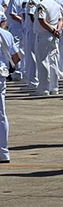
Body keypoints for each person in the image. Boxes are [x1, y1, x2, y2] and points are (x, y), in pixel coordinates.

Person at [33, 0, 63, 97]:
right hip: (54, 35)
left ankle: (44, 88)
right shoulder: (55, 4)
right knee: (53, 61)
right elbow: (60, 20)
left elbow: (42, 20)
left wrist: (52, 30)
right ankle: (54, 87)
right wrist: (57, 30)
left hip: (45, 35)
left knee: (43, 61)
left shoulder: (42, 5)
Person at [0, 18, 21, 163]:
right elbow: (16, 57)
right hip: (1, 73)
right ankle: (3, 151)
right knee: (1, 114)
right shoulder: (6, 34)